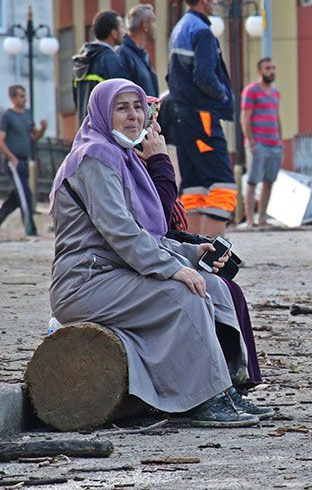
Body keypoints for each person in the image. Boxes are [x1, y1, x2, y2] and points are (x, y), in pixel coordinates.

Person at [49, 79, 268, 427]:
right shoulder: (93, 158)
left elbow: (150, 234)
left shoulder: (124, 159)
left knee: (215, 287)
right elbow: (121, 233)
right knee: (182, 292)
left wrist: (193, 253)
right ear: (102, 114)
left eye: (138, 107)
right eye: (121, 108)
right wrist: (172, 269)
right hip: (86, 281)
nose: (133, 116)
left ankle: (226, 389)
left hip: (118, 272)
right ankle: (202, 400)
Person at [135, 113, 266, 392]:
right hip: (137, 262)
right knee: (208, 289)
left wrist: (196, 248)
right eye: (151, 127)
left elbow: (166, 228)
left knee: (228, 287)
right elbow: (155, 221)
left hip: (164, 248)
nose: (157, 132)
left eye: (158, 125)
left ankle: (236, 382)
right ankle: (215, 386)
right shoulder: (130, 167)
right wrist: (160, 163)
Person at [168, 0, 236, 237]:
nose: (216, 1)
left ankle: (191, 252)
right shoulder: (202, 32)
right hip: (202, 116)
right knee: (222, 183)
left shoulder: (180, 29)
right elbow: (205, 76)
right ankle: (213, 258)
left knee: (194, 186)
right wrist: (222, 97)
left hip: (181, 118)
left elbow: (172, 76)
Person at [241, 57, 283, 229]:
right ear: (260, 71)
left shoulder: (276, 92)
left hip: (275, 145)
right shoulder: (251, 91)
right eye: (267, 68)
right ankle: (250, 219)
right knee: (252, 181)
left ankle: (262, 218)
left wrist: (280, 139)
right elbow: (245, 118)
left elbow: (276, 117)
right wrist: (251, 141)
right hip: (258, 145)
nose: (271, 71)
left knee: (269, 181)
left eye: (273, 68)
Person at [0, 85, 47, 235]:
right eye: (21, 96)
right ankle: (30, 229)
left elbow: (34, 137)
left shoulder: (27, 114)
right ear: (12, 98)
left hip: (25, 161)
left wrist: (43, 129)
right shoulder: (7, 116)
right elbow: (0, 140)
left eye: (24, 95)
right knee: (25, 195)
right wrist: (12, 159)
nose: (24, 98)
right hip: (14, 162)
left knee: (16, 196)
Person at [72, 10, 128, 122]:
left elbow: (76, 100)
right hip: (106, 132)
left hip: (85, 131)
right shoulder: (111, 60)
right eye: (121, 27)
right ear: (114, 33)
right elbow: (122, 98)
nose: (125, 32)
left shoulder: (80, 61)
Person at [118, 4, 159, 97]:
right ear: (145, 27)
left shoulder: (143, 54)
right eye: (153, 22)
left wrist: (154, 111)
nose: (155, 27)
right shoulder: (123, 54)